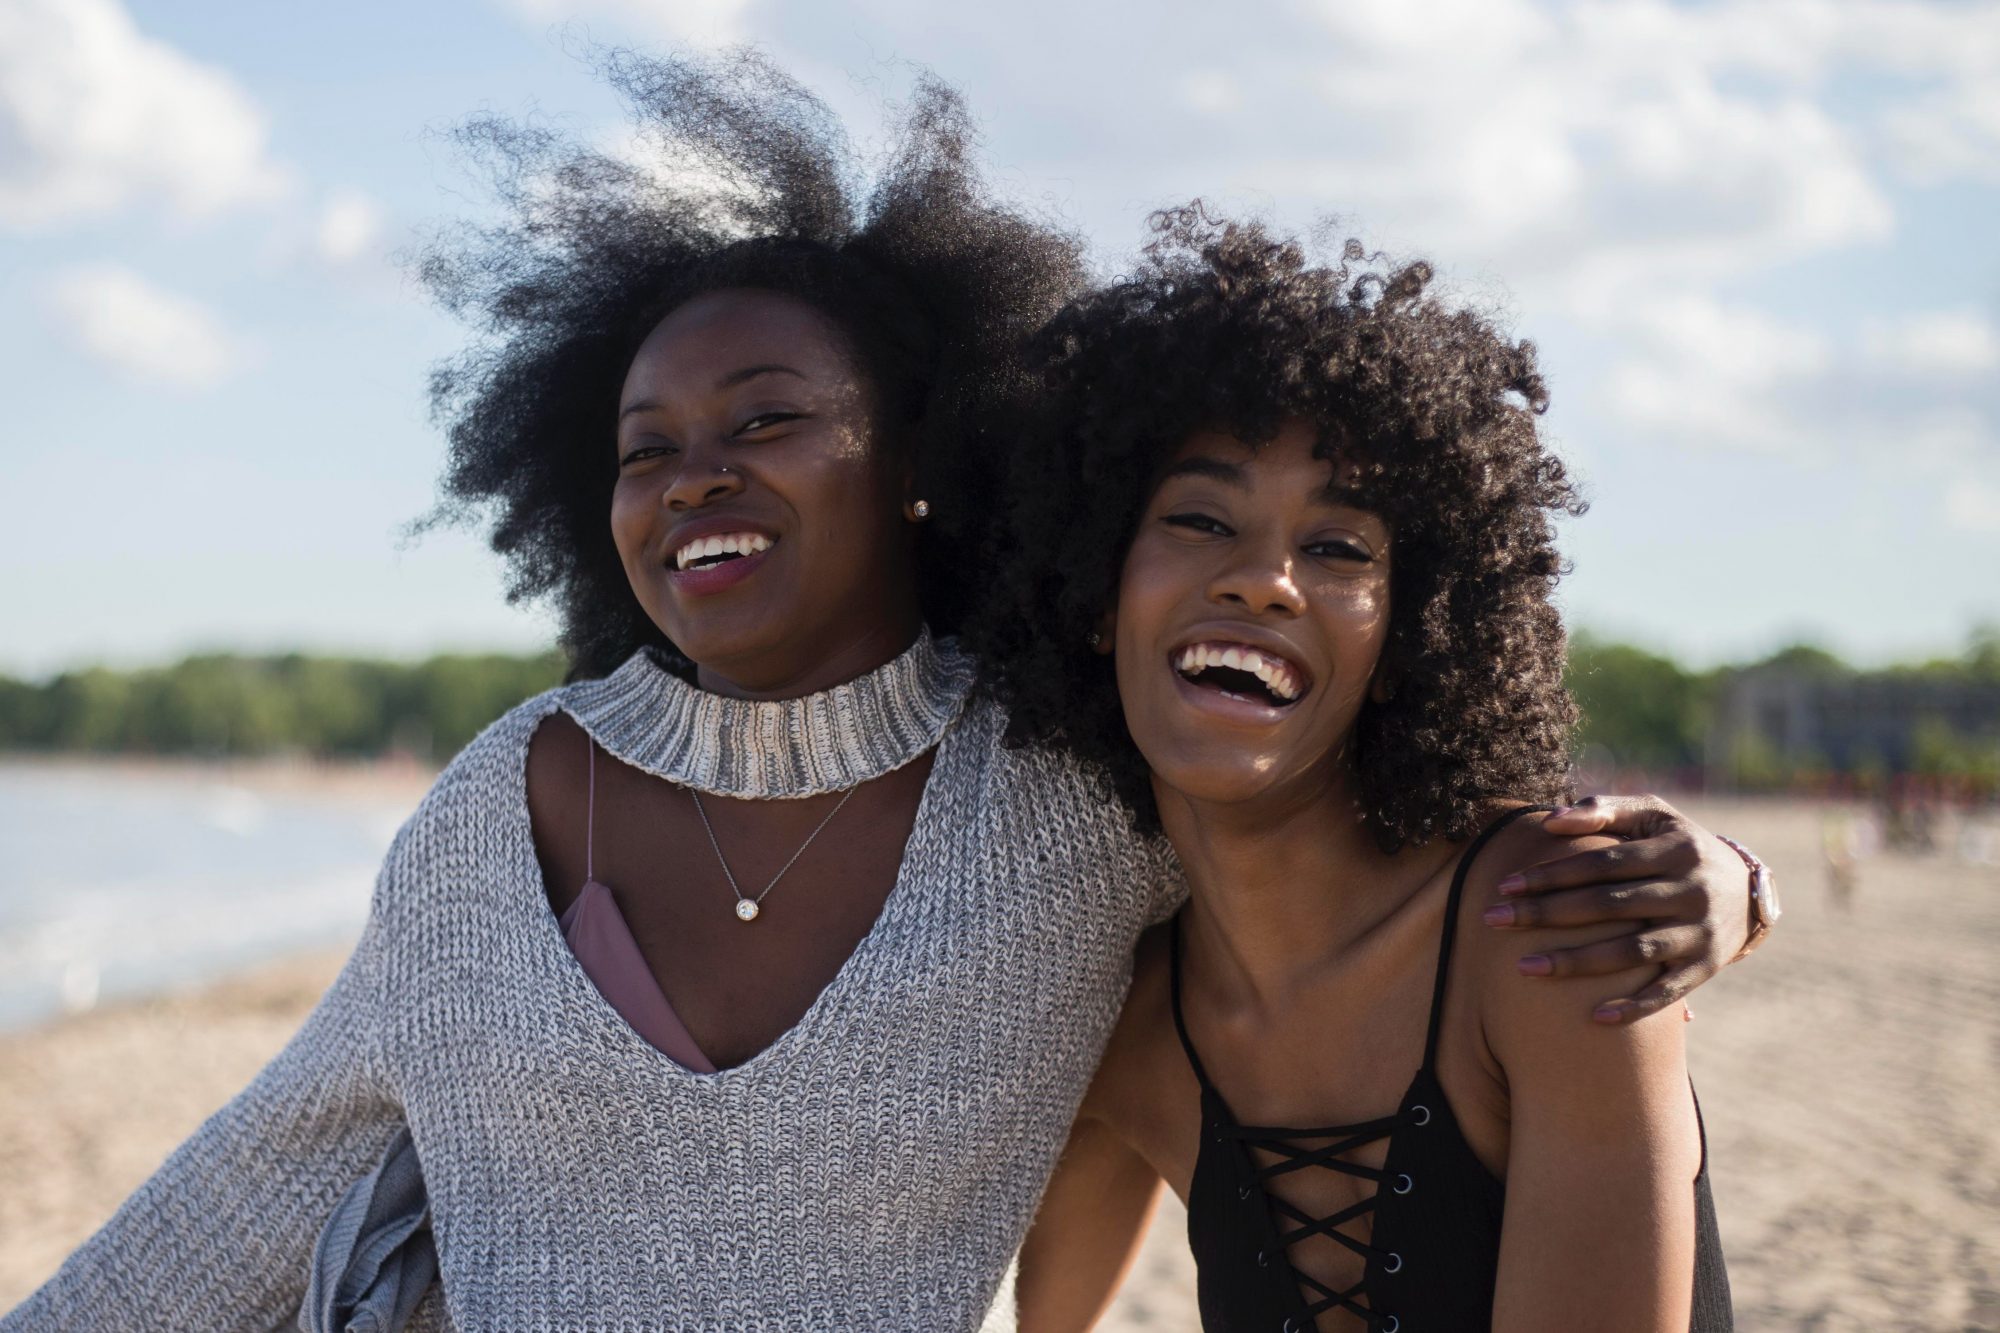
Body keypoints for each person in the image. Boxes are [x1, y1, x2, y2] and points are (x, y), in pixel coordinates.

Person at [7, 59, 1761, 1332]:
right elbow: (257, 1178)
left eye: (765, 418)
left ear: (920, 461)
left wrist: (1725, 880)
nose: (697, 474)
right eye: (646, 449)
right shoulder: (500, 800)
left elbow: (1345, 834)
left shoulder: (1071, 789)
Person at [982, 212, 1741, 1330]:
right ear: (1094, 590)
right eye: (1199, 517)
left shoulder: (1547, 925)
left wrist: (1738, 881)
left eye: (1337, 548)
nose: (1262, 581)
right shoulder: (1128, 1026)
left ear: (1409, 640)